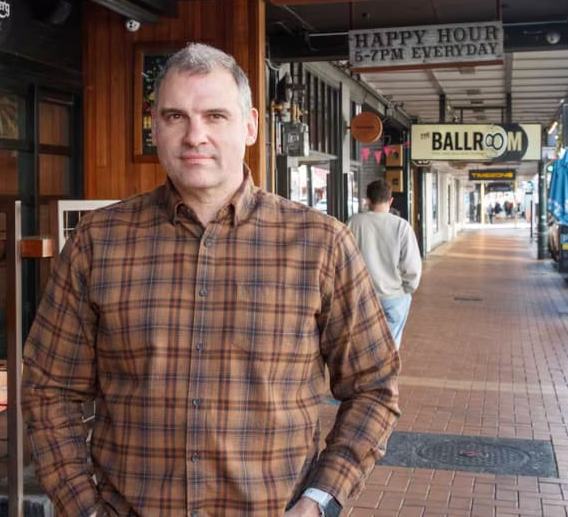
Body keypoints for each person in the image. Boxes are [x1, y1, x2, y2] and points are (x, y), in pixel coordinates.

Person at [23, 43, 400, 517]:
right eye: (175, 116)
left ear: (250, 126)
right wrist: (84, 508)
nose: (194, 135)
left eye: (215, 116)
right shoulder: (98, 242)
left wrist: (319, 501)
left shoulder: (322, 245)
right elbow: (48, 389)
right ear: (155, 128)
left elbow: (374, 388)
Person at [346, 180, 422, 349]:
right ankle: (385, 372)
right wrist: (405, 290)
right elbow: (412, 267)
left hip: (362, 296)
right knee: (389, 346)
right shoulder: (401, 226)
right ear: (391, 200)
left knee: (362, 343)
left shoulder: (353, 223)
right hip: (394, 296)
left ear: (368, 200)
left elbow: (344, 261)